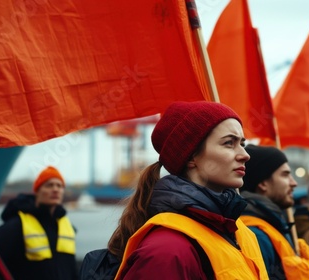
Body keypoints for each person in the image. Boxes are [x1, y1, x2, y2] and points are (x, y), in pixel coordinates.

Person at [108, 101, 268, 279]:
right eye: (229, 143)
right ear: (191, 156)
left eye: (242, 144)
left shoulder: (239, 230)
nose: (245, 155)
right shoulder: (167, 251)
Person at [0, 166, 78, 280]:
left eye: (59, 186)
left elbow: (71, 269)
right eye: (49, 185)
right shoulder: (14, 227)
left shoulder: (68, 227)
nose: (55, 189)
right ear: (37, 191)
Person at [239, 144, 309, 279]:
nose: (293, 183)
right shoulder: (255, 234)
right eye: (285, 175)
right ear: (263, 183)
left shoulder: (274, 225)